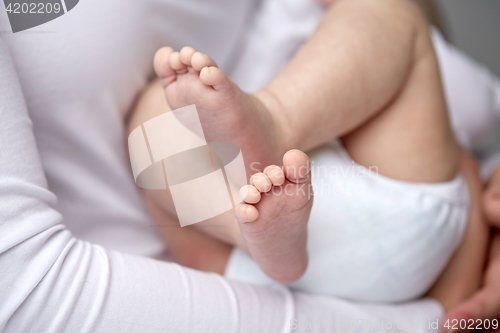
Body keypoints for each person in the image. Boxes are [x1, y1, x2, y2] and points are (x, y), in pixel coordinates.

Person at [0, 1, 498, 332]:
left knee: (152, 121)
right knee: (387, 11)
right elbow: (24, 292)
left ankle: (255, 227)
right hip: (401, 204)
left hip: (234, 269)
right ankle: (277, 121)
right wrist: (426, 322)